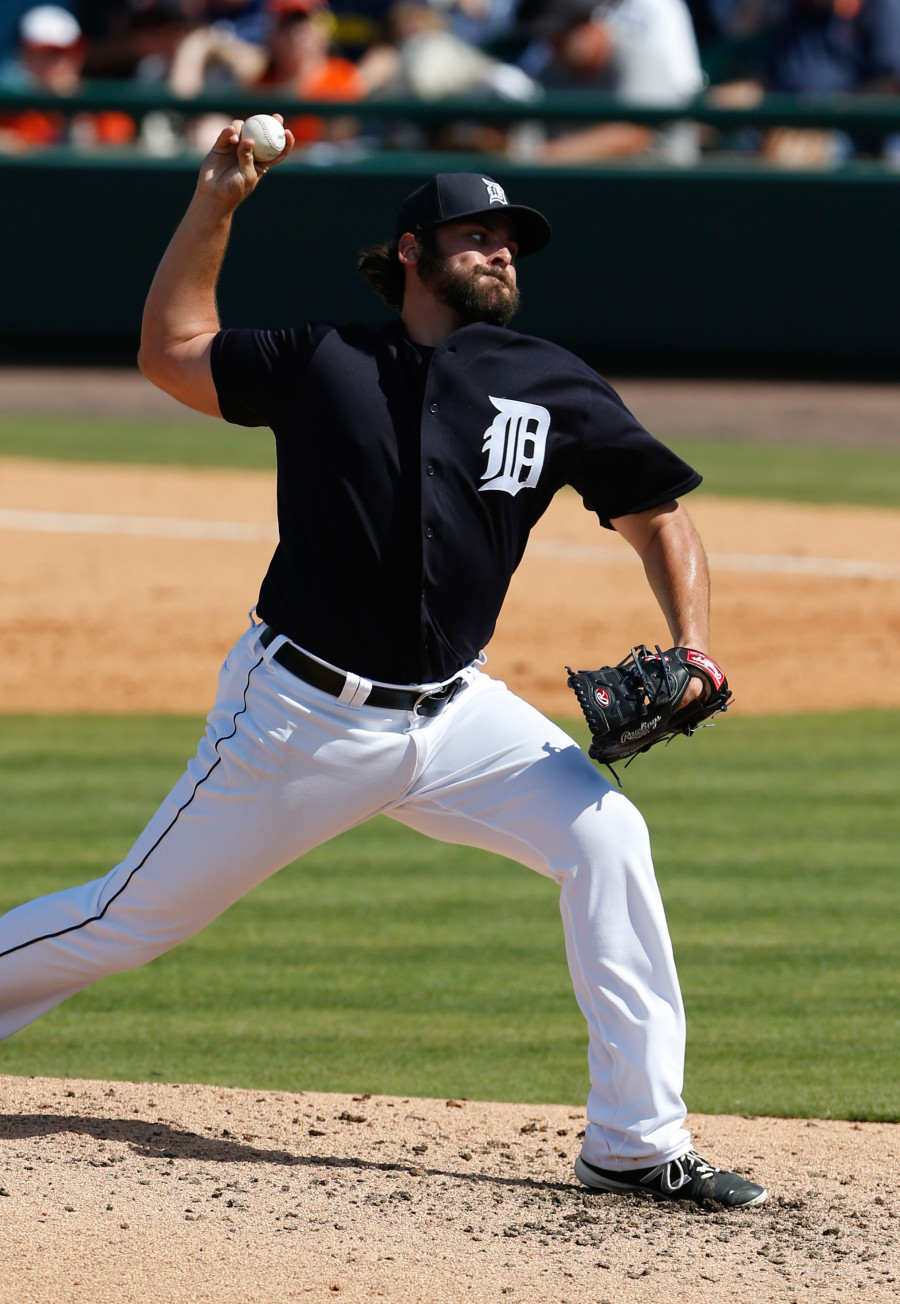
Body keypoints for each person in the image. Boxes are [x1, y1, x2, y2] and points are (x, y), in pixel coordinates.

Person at [0, 132, 768, 1209]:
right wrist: (216, 203)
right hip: (300, 718)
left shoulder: (549, 380)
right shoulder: (325, 362)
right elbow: (172, 347)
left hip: (460, 717)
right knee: (128, 920)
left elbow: (656, 515)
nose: (503, 251)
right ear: (413, 251)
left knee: (608, 837)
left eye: (512, 239)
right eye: (479, 233)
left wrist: (694, 644)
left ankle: (635, 1139)